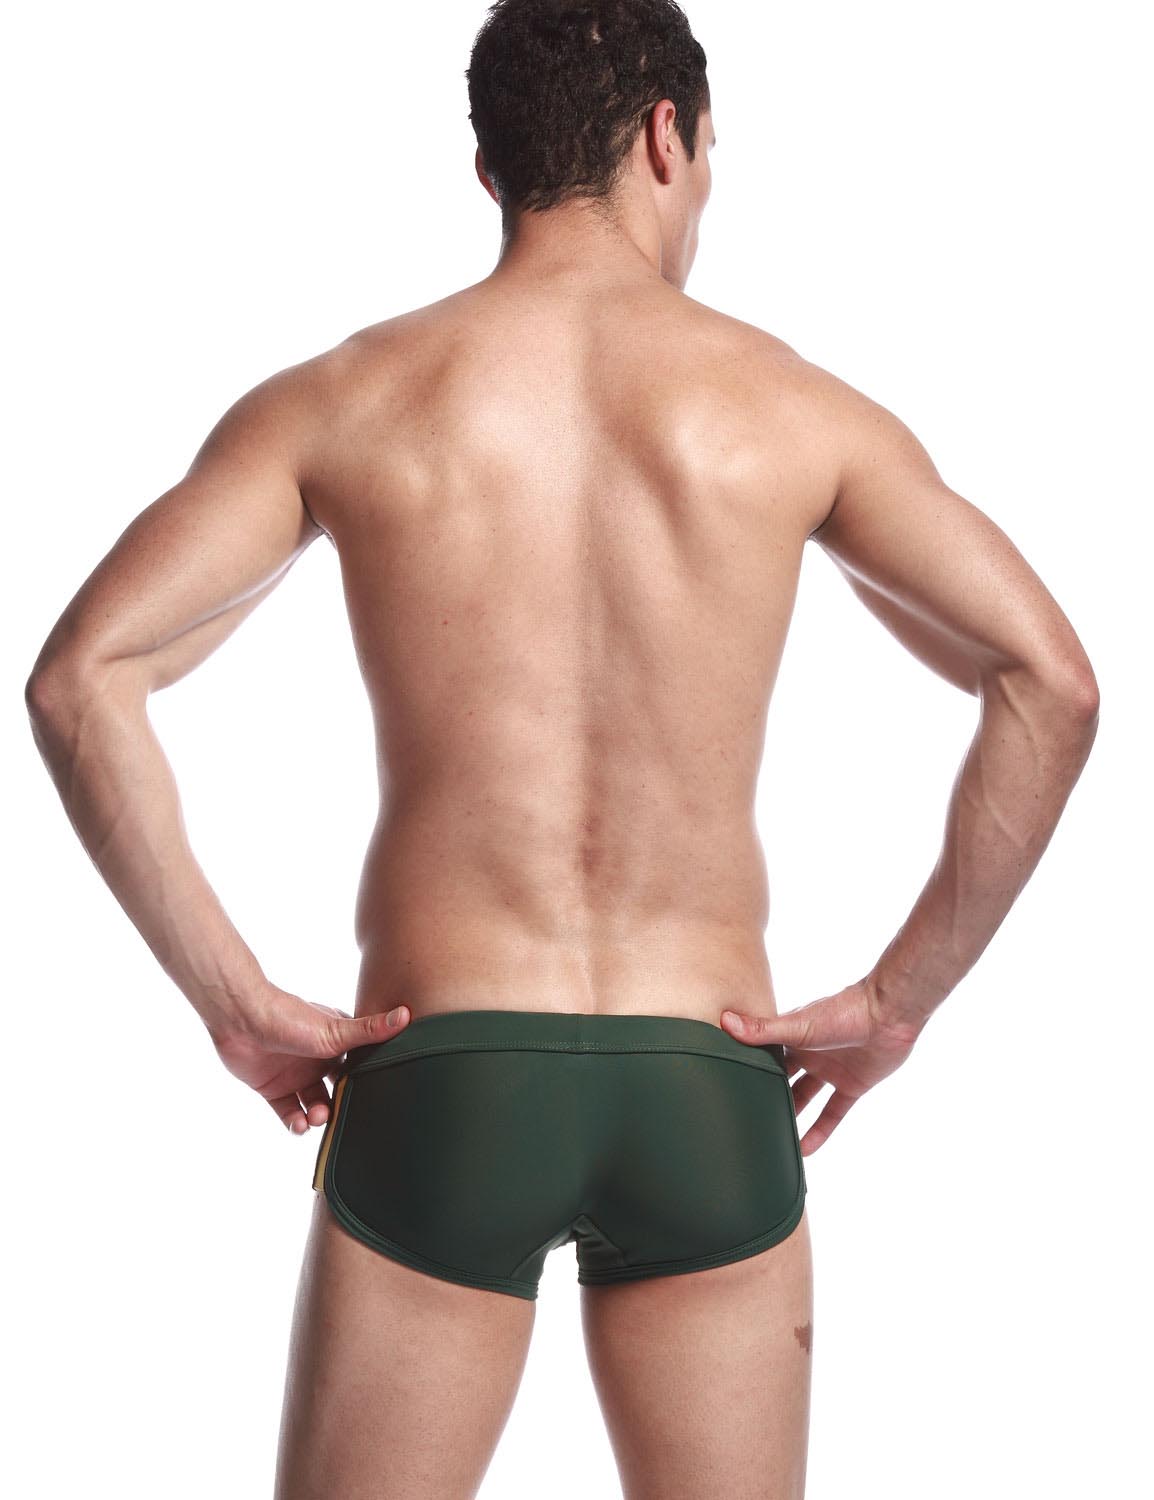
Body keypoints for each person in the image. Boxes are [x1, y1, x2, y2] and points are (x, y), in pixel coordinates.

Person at [24, 1, 1099, 1496]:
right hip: (708, 1072)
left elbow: (83, 678)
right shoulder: (797, 411)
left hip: (443, 1065)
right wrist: (896, 1002)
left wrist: (236, 1002)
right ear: (667, 135)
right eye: (709, 153)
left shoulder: (346, 399)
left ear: (493, 168)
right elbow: (1049, 681)